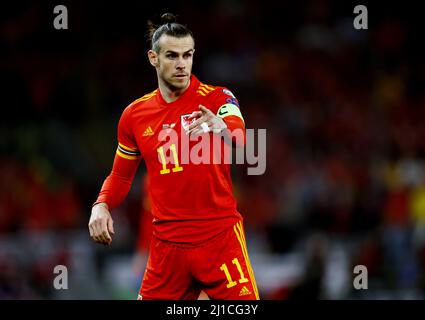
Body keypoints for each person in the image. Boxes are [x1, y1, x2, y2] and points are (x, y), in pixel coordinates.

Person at [88, 13, 259, 300]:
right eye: (172, 55)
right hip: (167, 249)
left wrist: (224, 130)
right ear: (153, 58)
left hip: (219, 239)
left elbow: (242, 139)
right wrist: (102, 204)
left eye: (187, 55)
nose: (182, 64)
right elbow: (120, 175)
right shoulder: (134, 116)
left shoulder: (218, 98)